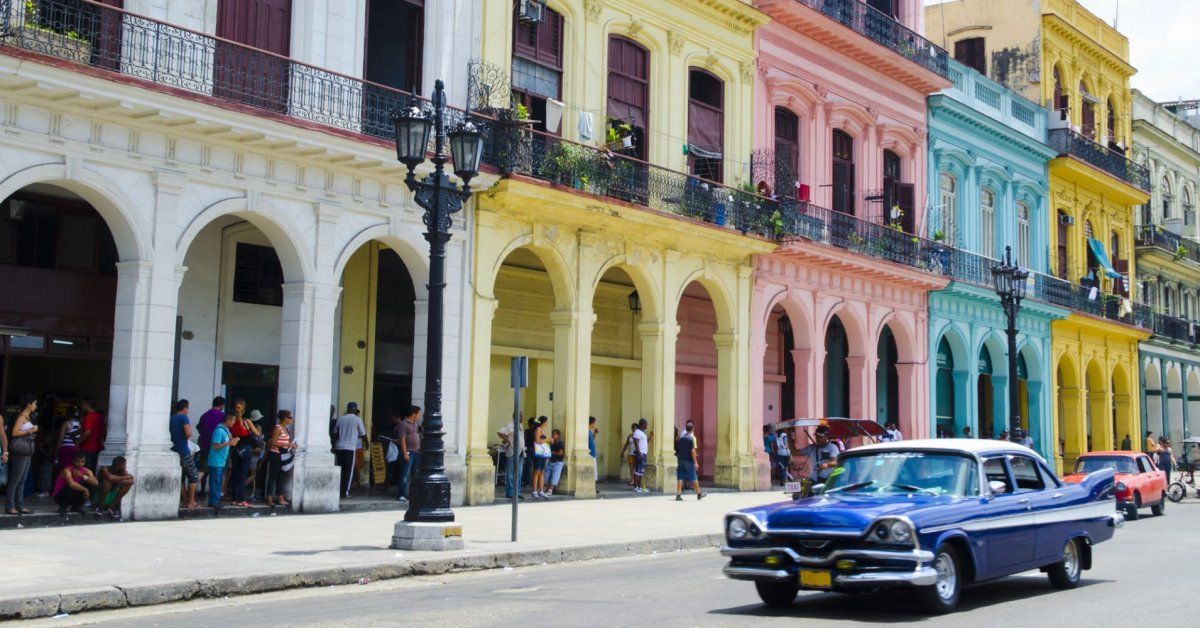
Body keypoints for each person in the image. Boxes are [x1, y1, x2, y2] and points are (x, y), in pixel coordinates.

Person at [6, 394, 39, 515]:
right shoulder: (21, 417)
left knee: (22, 479)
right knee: (16, 479)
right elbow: (14, 433)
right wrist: (30, 430)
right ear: (29, 404)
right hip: (20, 451)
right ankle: (10, 506)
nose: (36, 406)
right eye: (34, 403)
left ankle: (19, 505)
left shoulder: (29, 417)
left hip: (27, 451)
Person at [228, 401, 261, 507]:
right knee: (242, 475)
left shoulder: (231, 421)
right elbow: (257, 433)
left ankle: (234, 498)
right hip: (246, 449)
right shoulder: (247, 421)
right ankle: (240, 499)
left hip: (235, 448)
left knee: (235, 474)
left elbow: (229, 434)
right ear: (243, 410)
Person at [169, 399, 198, 510]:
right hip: (183, 450)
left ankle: (184, 501)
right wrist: (188, 434)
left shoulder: (172, 418)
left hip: (174, 450)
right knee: (193, 475)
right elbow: (188, 433)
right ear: (185, 408)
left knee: (180, 477)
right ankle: (191, 501)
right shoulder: (183, 417)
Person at [334, 402, 367, 498]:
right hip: (350, 448)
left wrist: (333, 446)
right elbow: (363, 434)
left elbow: (335, 433)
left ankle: (338, 491)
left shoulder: (341, 418)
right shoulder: (357, 419)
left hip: (339, 447)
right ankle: (345, 492)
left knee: (340, 470)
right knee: (348, 471)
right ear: (355, 410)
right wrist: (367, 443)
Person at [206, 412, 238, 510]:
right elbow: (215, 446)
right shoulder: (219, 431)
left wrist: (232, 441)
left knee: (218, 481)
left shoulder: (226, 430)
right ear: (228, 420)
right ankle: (213, 501)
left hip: (221, 461)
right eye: (233, 420)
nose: (234, 422)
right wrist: (229, 443)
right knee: (215, 481)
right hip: (216, 460)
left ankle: (216, 500)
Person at [195, 396, 226, 492]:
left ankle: (200, 490)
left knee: (202, 469)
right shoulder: (222, 416)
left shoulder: (204, 415)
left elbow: (199, 428)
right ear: (221, 405)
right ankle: (217, 493)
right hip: (216, 448)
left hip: (204, 445)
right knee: (215, 471)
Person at [53, 452, 97, 517]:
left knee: (91, 484)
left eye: (82, 462)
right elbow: (71, 484)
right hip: (60, 496)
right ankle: (63, 507)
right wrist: (85, 489)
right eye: (78, 462)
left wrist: (82, 476)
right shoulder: (67, 470)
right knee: (69, 486)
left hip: (73, 495)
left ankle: (77, 506)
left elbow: (96, 483)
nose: (80, 464)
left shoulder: (87, 471)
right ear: (73, 461)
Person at [265, 410, 294, 508]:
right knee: (273, 476)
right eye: (290, 417)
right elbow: (273, 442)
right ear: (285, 418)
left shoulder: (286, 428)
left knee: (280, 476)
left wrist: (291, 445)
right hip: (275, 454)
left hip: (283, 455)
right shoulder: (278, 428)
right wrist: (287, 444)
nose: (291, 419)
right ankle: (269, 498)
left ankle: (280, 498)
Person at [395, 405, 422, 502]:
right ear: (414, 414)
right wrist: (405, 453)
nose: (420, 415)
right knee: (405, 474)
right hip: (409, 451)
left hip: (417, 451)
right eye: (418, 413)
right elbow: (402, 440)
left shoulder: (416, 422)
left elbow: (419, 433)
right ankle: (401, 494)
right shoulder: (403, 424)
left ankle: (414, 494)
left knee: (415, 474)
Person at [497, 414, 525, 499]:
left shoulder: (520, 426)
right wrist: (507, 440)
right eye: (521, 416)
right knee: (511, 474)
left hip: (521, 452)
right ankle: (510, 493)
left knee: (519, 474)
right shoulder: (510, 425)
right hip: (512, 452)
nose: (522, 418)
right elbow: (500, 432)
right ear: (516, 417)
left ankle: (518, 492)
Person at [675, 425, 705, 501]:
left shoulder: (681, 439)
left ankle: (678, 495)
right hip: (688, 461)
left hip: (681, 460)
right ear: (692, 429)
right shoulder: (691, 439)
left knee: (680, 478)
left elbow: (678, 450)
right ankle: (699, 494)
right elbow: (693, 451)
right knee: (694, 477)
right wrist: (695, 462)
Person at [78, 398, 105, 473]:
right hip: (97, 447)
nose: (82, 407)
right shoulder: (100, 416)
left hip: (87, 447)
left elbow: (87, 432)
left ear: (87, 405)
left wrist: (78, 442)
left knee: (85, 470)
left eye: (83, 405)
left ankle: (86, 484)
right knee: (92, 469)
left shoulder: (89, 416)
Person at [54, 406, 82, 478]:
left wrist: (57, 450)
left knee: (65, 468)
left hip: (65, 448)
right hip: (75, 448)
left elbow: (60, 438)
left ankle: (64, 484)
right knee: (74, 468)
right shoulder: (80, 424)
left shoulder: (66, 424)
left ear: (68, 415)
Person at [530, 417, 550, 499]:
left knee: (542, 471)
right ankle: (535, 490)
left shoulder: (542, 429)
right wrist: (547, 440)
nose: (547, 423)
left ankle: (541, 490)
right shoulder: (538, 429)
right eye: (546, 422)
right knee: (537, 471)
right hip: (538, 453)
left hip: (543, 453)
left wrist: (548, 440)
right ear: (543, 422)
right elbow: (537, 441)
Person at [546, 429, 565, 496]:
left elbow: (560, 453)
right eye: (552, 434)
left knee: (555, 476)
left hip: (558, 462)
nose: (552, 436)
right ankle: (546, 489)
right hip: (551, 461)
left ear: (558, 435)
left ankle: (550, 490)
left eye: (554, 434)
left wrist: (551, 452)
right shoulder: (551, 443)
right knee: (547, 475)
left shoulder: (560, 443)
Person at [632, 418, 649, 493]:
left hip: (644, 454)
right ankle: (636, 487)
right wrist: (639, 453)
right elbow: (636, 442)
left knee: (641, 471)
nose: (647, 426)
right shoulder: (637, 432)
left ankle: (639, 487)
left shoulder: (642, 432)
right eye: (646, 424)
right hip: (640, 454)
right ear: (642, 424)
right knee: (637, 471)